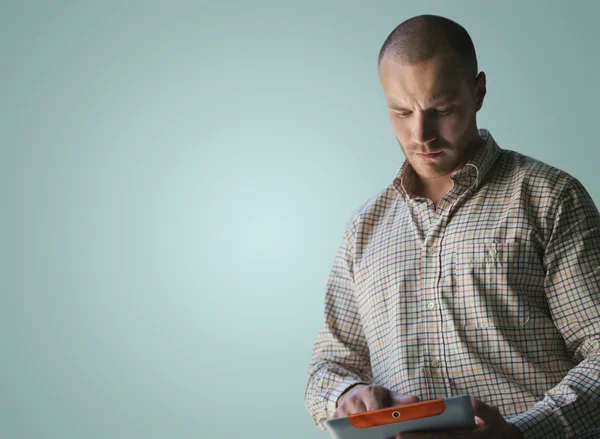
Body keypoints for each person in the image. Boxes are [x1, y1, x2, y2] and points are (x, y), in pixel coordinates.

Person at [303, 14, 600, 439]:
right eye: (401, 111)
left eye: (441, 109)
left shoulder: (551, 199)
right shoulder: (364, 228)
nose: (420, 133)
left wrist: (522, 433)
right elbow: (328, 367)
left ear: (477, 91)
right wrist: (346, 393)